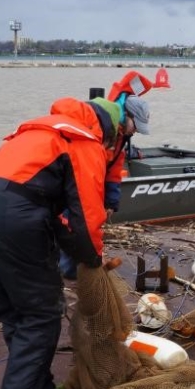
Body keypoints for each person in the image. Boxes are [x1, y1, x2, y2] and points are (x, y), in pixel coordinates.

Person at [0, 97, 118, 389]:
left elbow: (53, 213)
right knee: (41, 313)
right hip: (10, 222)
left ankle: (38, 385)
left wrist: (77, 249)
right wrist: (92, 259)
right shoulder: (83, 141)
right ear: (104, 131)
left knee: (14, 310)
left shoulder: (38, 131)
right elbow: (86, 213)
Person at [59, 71, 152, 279]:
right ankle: (69, 274)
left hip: (89, 183)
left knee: (83, 225)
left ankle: (76, 270)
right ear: (126, 115)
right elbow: (84, 178)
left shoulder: (119, 136)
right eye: (135, 126)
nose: (135, 132)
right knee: (71, 223)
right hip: (71, 183)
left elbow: (114, 168)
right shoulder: (100, 129)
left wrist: (111, 201)